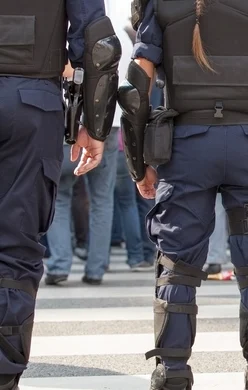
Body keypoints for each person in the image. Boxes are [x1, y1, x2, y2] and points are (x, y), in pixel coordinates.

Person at [118, 0, 248, 389]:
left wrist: (138, 162)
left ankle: (172, 371)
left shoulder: (163, 5)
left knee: (178, 262)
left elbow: (135, 89)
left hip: (185, 148)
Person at [0, 0, 120, 388]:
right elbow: (98, 42)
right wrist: (95, 125)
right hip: (30, 103)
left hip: (31, 99)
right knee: (14, 248)